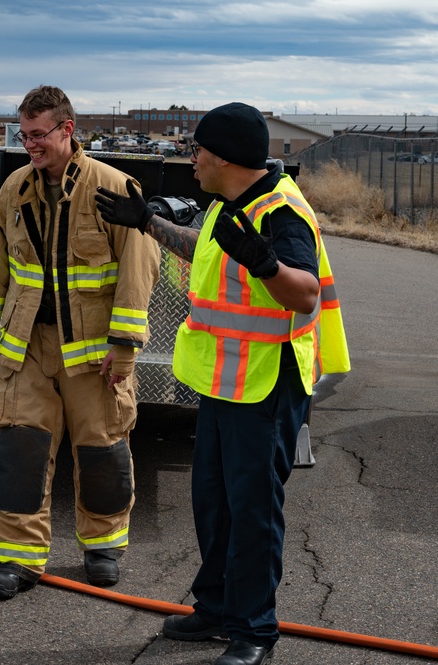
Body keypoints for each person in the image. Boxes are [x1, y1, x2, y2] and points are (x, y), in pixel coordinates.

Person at [95, 102, 350, 665]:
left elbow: (303, 293)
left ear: (224, 157)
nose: (191, 160)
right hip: (224, 384)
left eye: (197, 151)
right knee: (214, 504)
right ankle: (214, 609)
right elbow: (206, 251)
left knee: (253, 511)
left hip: (264, 386)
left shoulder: (281, 214)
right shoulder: (229, 205)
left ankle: (254, 630)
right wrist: (147, 224)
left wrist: (266, 265)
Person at [0, 86, 160, 600]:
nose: (30, 144)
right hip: (25, 346)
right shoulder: (14, 190)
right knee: (18, 452)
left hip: (95, 355)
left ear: (67, 130)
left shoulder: (114, 188)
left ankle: (103, 549)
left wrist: (125, 345)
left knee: (102, 452)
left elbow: (139, 270)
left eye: (39, 135)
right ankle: (14, 559)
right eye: (23, 135)